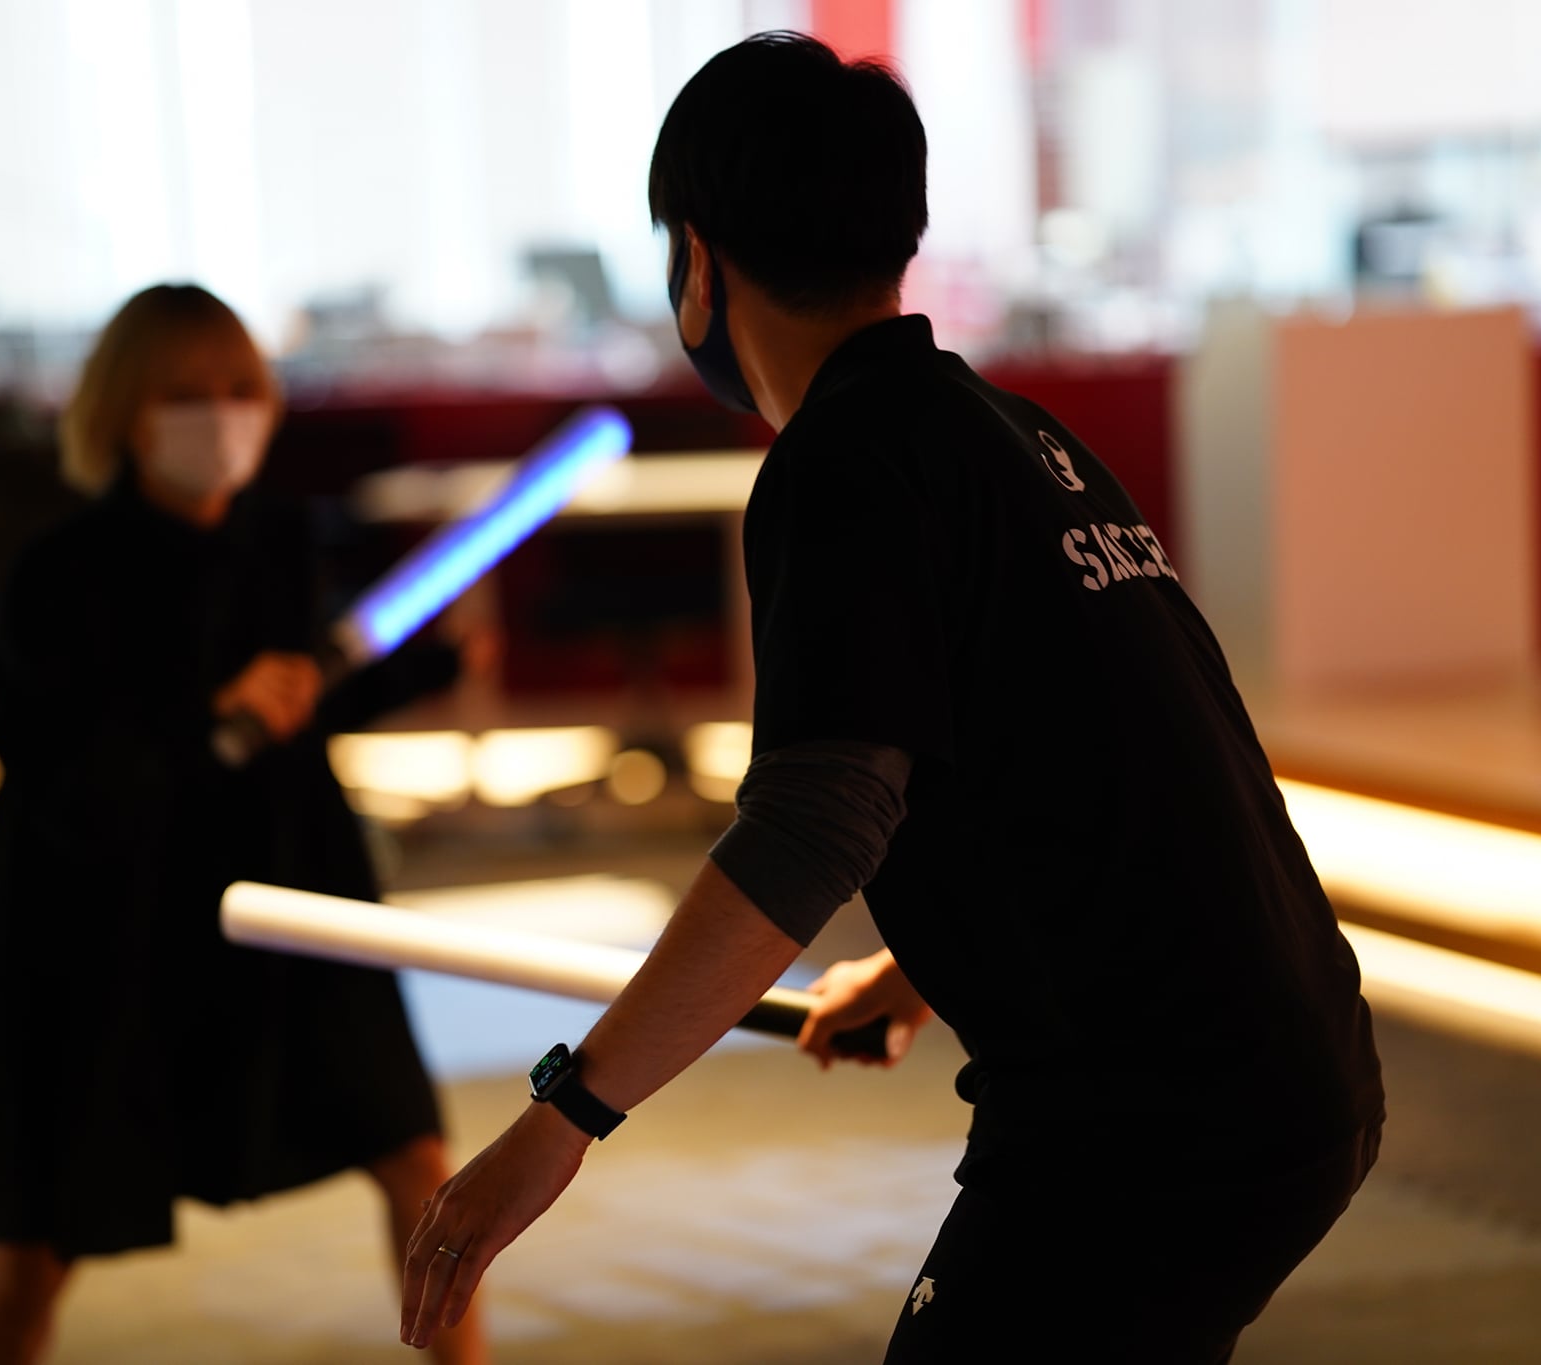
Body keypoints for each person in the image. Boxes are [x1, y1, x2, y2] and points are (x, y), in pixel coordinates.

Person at [400, 34, 1384, 1365]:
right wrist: (920, 967)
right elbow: (1101, 754)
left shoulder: (842, 465)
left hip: (1146, 1120)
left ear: (696, 266)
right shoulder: (1011, 433)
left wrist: (560, 1118)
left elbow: (814, 823)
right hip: (1292, 1058)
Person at [0, 284, 487, 1365]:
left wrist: (421, 667)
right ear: (123, 409)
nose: (220, 416)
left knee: (415, 1157)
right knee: (38, 1248)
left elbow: (310, 696)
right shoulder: (57, 568)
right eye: (186, 393)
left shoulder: (277, 536)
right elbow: (47, 757)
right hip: (110, 920)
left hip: (294, 890)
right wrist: (206, 714)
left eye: (239, 389)